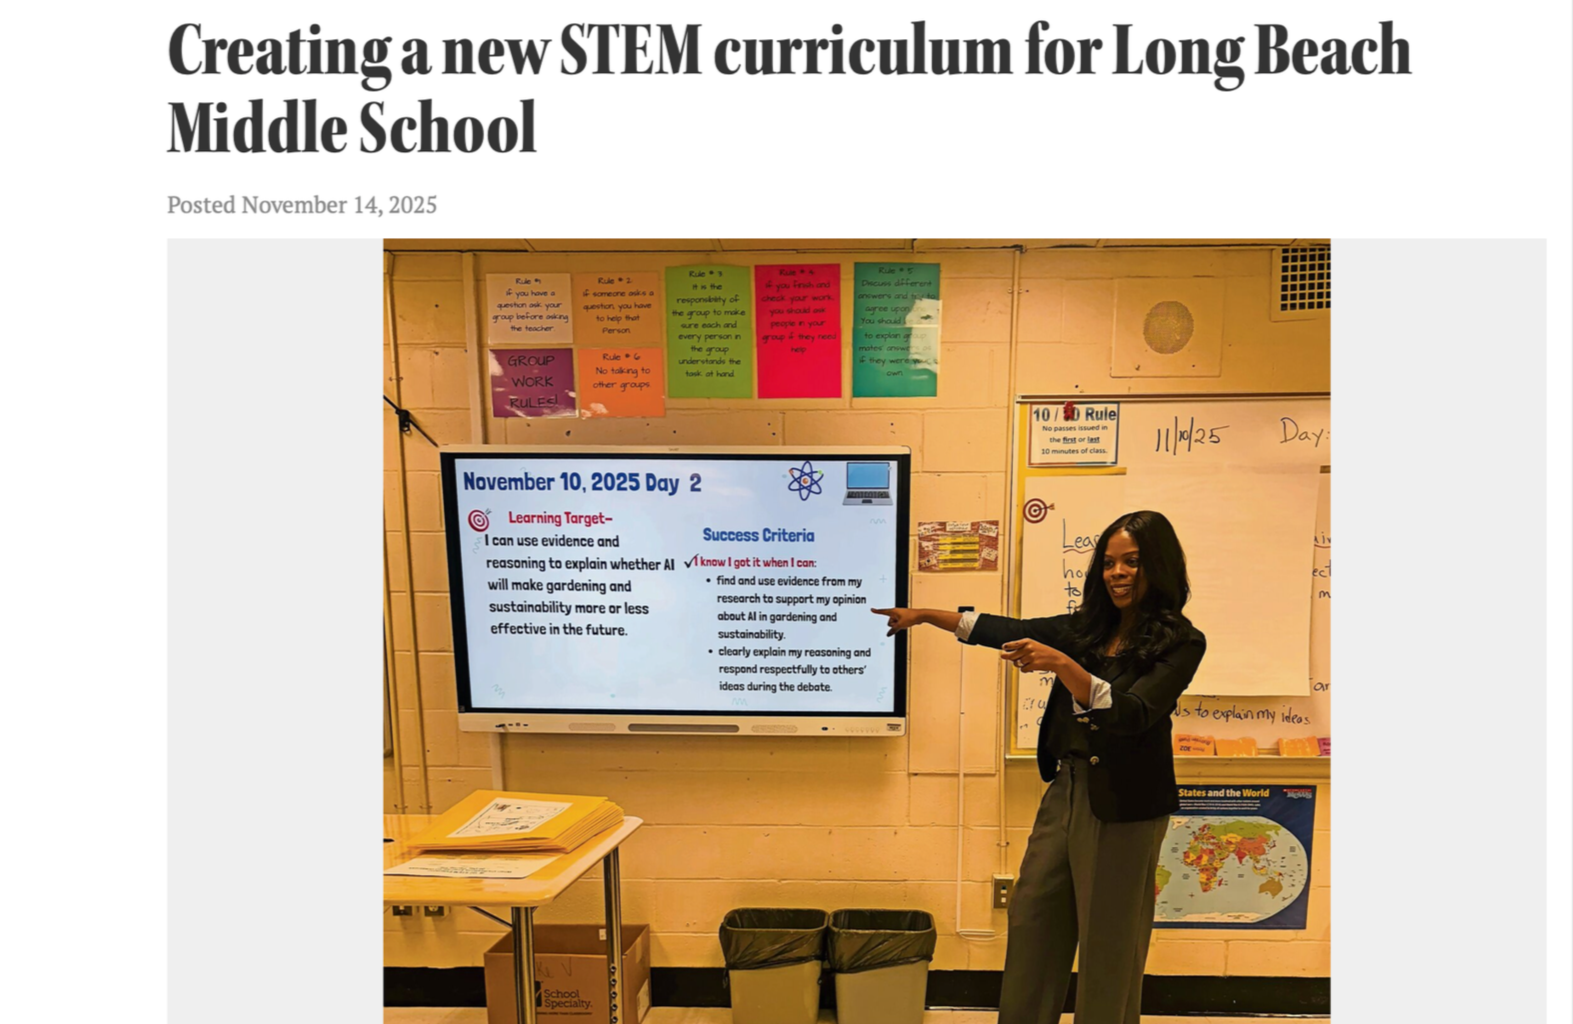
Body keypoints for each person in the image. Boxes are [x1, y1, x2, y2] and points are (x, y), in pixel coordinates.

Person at [872, 510, 1205, 1024]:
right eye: (1109, 563)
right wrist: (925, 615)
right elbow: (1011, 629)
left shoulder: (1181, 641)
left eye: (1131, 562)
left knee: (1108, 941)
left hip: (1127, 804)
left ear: (1156, 566)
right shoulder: (1088, 628)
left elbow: (1134, 713)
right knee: (1034, 919)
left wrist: (1064, 666)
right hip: (1067, 788)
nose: (1116, 573)